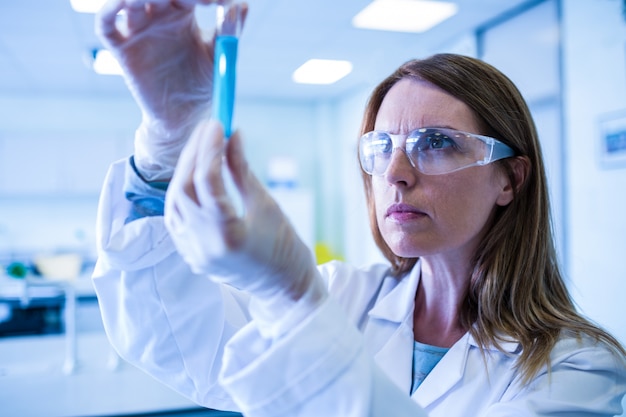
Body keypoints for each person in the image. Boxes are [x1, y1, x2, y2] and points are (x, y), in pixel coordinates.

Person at [92, 0, 626, 416]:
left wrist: (292, 296)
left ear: (509, 178)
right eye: (381, 147)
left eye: (435, 142)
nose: (395, 173)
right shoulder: (348, 296)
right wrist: (166, 137)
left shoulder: (580, 369)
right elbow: (175, 339)